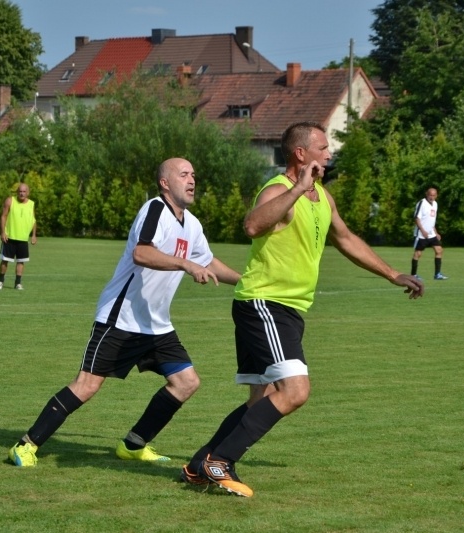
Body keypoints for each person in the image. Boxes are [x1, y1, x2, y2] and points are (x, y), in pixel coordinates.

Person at [179, 122, 424, 497]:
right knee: (295, 391)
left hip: (285, 309)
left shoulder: (323, 197)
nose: (329, 154)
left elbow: (345, 238)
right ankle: (220, 462)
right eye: (323, 148)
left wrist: (392, 274)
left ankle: (200, 465)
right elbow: (252, 224)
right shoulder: (279, 190)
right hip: (264, 303)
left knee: (261, 399)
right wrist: (297, 188)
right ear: (301, 154)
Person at [7, 158, 241, 467]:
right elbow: (141, 252)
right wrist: (186, 264)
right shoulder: (155, 209)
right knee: (87, 385)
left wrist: (246, 283)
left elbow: (207, 261)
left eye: (194, 174)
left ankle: (133, 444)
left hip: (156, 325)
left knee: (186, 382)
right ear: (165, 182)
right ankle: (26, 445)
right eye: (184, 174)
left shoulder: (193, 224)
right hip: (121, 317)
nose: (192, 179)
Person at [0, 183, 37, 290]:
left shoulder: (31, 204)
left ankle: (18, 283)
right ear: (17, 192)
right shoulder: (10, 201)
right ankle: (0, 281)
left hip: (23, 238)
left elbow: (33, 220)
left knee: (21, 261)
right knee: (5, 260)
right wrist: (3, 232)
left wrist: (33, 235)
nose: (22, 193)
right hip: (9, 237)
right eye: (20, 191)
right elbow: (3, 216)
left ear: (28, 192)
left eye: (24, 191)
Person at [411, 187, 448, 280]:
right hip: (421, 234)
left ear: (436, 195)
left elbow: (432, 220)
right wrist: (423, 230)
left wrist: (436, 232)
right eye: (430, 195)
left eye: (434, 195)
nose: (432, 197)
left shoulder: (435, 204)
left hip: (431, 233)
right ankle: (413, 275)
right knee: (418, 254)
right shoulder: (422, 203)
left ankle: (437, 274)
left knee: (439, 250)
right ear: (426, 194)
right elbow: (416, 218)